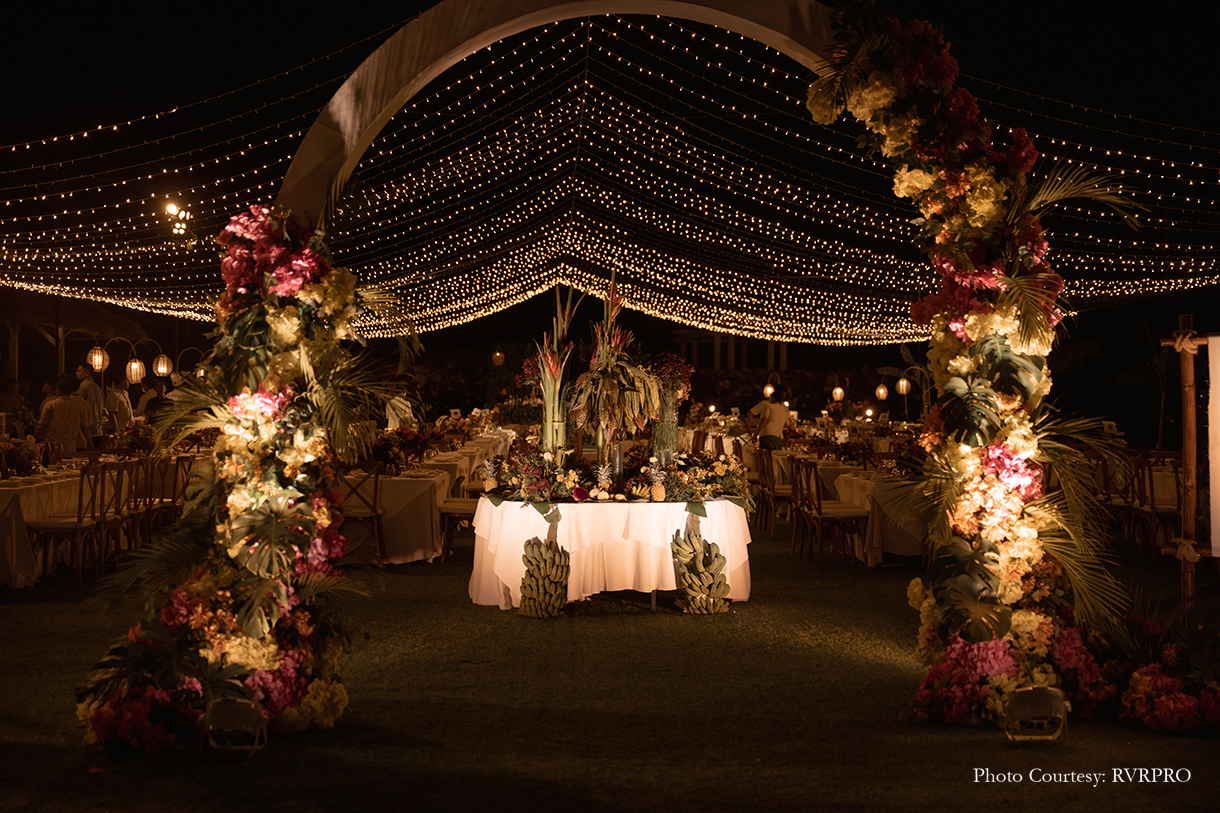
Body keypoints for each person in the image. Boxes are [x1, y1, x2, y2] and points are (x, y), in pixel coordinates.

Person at [35, 375, 94, 452]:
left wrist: (33, 439)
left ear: (58, 390)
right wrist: (91, 444)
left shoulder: (50, 404)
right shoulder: (81, 406)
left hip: (52, 446)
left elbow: (42, 425)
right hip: (70, 446)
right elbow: (85, 428)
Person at [745, 386, 792, 451]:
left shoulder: (769, 406)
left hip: (767, 435)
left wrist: (756, 432)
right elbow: (789, 425)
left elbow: (765, 419)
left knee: (766, 457)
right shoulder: (784, 410)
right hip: (778, 437)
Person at [76, 363, 106, 447]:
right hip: (98, 429)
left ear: (87, 373)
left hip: (87, 430)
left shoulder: (82, 387)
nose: (76, 373)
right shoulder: (98, 388)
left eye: (79, 371)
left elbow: (79, 406)